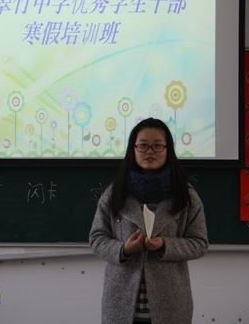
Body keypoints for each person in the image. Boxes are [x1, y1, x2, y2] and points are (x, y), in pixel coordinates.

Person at [89, 117, 208, 324]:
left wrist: (165, 245)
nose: (149, 152)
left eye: (157, 146)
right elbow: (97, 239)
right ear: (133, 149)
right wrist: (124, 249)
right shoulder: (114, 193)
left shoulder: (186, 195)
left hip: (171, 305)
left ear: (167, 149)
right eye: (143, 145)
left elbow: (199, 243)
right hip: (120, 302)